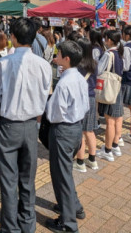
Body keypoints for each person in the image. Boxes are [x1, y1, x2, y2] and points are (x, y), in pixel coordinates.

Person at [0, 18, 52, 233]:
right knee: (28, 178)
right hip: (32, 125)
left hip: (9, 126)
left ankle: (9, 229)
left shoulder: (3, 64)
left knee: (8, 181)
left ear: (13, 37)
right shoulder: (44, 65)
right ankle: (27, 224)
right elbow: (45, 96)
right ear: (34, 38)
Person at [45, 41, 89, 232]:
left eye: (59, 54)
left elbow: (54, 114)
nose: (56, 56)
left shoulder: (64, 82)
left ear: (67, 59)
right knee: (65, 172)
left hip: (63, 130)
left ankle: (68, 222)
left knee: (61, 175)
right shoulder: (79, 77)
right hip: (76, 128)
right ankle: (74, 206)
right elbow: (85, 106)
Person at [96, 30, 125, 162]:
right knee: (118, 118)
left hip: (109, 89)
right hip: (117, 87)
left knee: (110, 122)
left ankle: (107, 150)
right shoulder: (120, 52)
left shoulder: (108, 54)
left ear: (108, 39)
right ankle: (115, 145)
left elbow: (99, 70)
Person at [73, 38, 99, 173]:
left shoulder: (77, 64)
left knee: (80, 131)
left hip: (80, 98)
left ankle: (80, 161)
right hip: (91, 98)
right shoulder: (94, 63)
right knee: (89, 130)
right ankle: (93, 160)